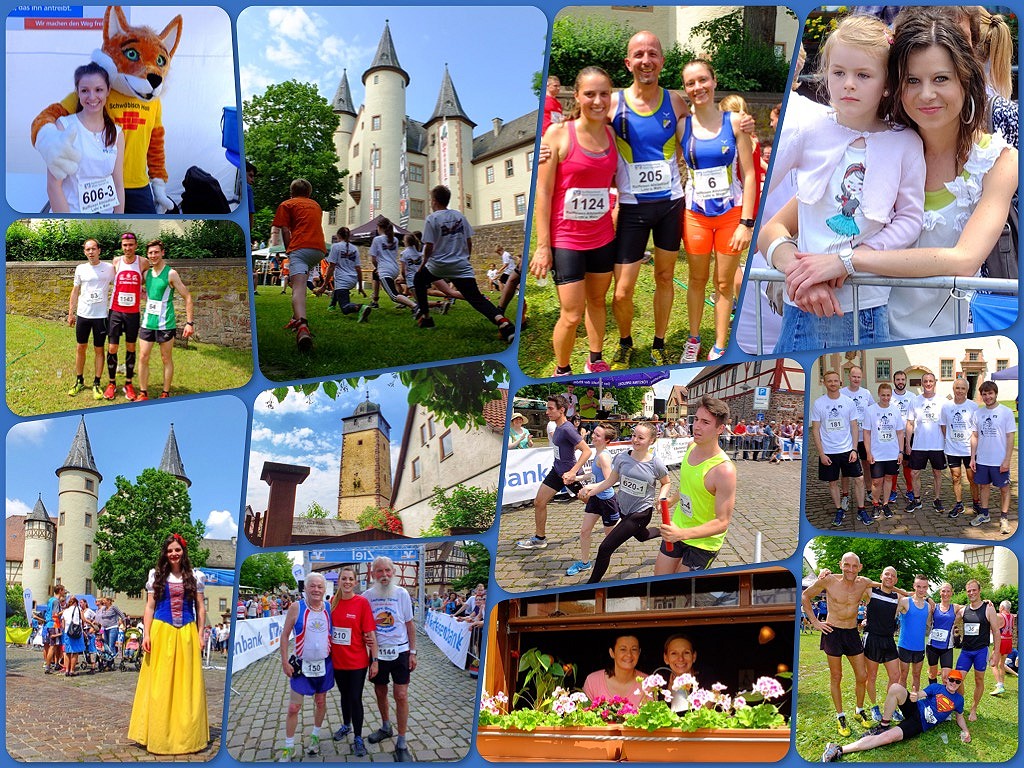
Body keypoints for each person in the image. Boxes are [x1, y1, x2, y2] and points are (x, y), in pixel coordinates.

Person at [782, 10, 1018, 340]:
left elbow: (964, 259)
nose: (926, 95)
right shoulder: (877, 146)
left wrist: (847, 261)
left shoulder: (998, 161)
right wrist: (802, 276)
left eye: (941, 79)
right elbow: (778, 228)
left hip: (936, 337)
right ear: (893, 86)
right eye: (912, 81)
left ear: (966, 79)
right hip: (852, 327)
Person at [758, 13, 926, 351]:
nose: (848, 83)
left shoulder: (905, 142)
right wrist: (800, 272)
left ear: (888, 82)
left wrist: (852, 259)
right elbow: (761, 200)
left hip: (867, 305)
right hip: (803, 305)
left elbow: (910, 218)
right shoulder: (806, 129)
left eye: (863, 75)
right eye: (839, 73)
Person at [604, 32, 688, 369]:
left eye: (652, 53)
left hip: (670, 205)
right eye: (638, 54)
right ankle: (625, 341)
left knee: (665, 278)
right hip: (631, 209)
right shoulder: (612, 103)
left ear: (662, 61)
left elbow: (697, 141)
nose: (646, 60)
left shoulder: (676, 101)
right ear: (628, 63)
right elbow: (585, 135)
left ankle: (659, 341)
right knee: (622, 291)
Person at [532, 66, 618, 375]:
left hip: (602, 236)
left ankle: (595, 359)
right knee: (571, 313)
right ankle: (562, 369)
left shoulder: (612, 133)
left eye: (604, 93)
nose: (598, 100)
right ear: (577, 96)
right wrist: (543, 247)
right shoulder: (557, 135)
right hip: (567, 239)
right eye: (590, 94)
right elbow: (542, 191)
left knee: (597, 301)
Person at [679, 59, 756, 362]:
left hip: (730, 215)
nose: (698, 87)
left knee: (724, 283)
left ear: (714, 80)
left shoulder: (735, 122)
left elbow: (749, 175)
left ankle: (720, 343)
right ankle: (694, 338)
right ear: (685, 89)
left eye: (703, 80)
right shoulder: (682, 125)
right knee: (697, 279)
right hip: (695, 215)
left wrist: (746, 223)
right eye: (690, 83)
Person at [128, 534, 209, 754]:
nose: (174, 554)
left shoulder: (195, 576)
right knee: (160, 682)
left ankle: (186, 735)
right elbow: (149, 607)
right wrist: (146, 634)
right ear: (165, 553)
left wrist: (201, 634)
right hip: (162, 630)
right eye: (170, 550)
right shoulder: (156, 576)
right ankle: (157, 732)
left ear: (183, 552)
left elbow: (200, 608)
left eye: (177, 550)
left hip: (186, 632)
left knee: (187, 682)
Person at [414, 185, 515, 342]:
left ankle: (426, 317)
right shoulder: (460, 216)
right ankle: (503, 322)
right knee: (476, 299)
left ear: (434, 201)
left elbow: (429, 246)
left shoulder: (432, 218)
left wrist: (423, 264)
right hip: (460, 265)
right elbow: (468, 241)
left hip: (438, 265)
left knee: (418, 280)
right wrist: (465, 258)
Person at [579, 422, 669, 584]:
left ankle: (591, 585)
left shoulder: (656, 464)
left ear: (652, 441)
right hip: (623, 509)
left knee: (605, 548)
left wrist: (661, 498)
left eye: (641, 437)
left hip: (641, 513)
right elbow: (609, 481)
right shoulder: (622, 458)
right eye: (634, 435)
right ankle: (664, 531)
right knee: (642, 536)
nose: (635, 440)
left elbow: (667, 482)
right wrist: (590, 490)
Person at [657, 395, 736, 574]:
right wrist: (671, 500)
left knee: (680, 595)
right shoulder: (691, 446)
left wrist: (682, 535)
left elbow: (722, 522)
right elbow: (687, 485)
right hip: (677, 527)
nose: (697, 426)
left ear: (720, 429)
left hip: (704, 542)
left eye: (706, 422)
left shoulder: (724, 470)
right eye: (697, 420)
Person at [802, 552, 875, 736]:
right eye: (846, 565)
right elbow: (805, 596)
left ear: (860, 567)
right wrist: (815, 622)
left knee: (862, 675)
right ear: (840, 564)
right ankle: (840, 716)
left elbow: (887, 587)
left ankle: (859, 710)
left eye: (854, 566)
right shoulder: (828, 580)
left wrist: (914, 594)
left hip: (852, 633)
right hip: (832, 632)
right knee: (836, 676)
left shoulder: (864, 583)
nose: (850, 569)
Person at [821, 674, 971, 761]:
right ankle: (883, 724)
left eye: (957, 681)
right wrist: (914, 695)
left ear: (960, 684)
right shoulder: (937, 687)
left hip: (919, 724)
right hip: (915, 708)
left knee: (888, 738)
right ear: (946, 680)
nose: (954, 683)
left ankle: (839, 749)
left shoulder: (959, 700)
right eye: (951, 680)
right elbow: (920, 695)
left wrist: (966, 731)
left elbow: (960, 717)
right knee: (895, 688)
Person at [45, 62, 124, 214]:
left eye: (98, 90)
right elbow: (53, 185)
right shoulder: (64, 126)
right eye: (85, 90)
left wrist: (118, 223)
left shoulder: (117, 133)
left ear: (108, 91)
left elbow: (118, 184)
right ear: (78, 92)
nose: (92, 97)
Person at [517, 395, 592, 550]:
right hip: (557, 471)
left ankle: (616, 519)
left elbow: (586, 451)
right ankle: (539, 539)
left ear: (562, 410)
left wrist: (572, 472)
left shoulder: (567, 429)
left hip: (570, 475)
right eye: (547, 408)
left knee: (594, 503)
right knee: (539, 502)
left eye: (551, 408)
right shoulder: (557, 426)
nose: (547, 412)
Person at [364, 557, 416, 763]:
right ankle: (386, 726)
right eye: (379, 571)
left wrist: (413, 652)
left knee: (401, 695)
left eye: (387, 571)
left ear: (393, 572)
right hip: (378, 653)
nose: (384, 575)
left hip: (401, 651)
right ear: (373, 574)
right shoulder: (367, 596)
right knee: (380, 691)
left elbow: (410, 624)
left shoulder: (402, 593)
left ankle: (402, 741)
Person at [278, 572, 333, 761]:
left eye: (320, 586)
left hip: (324, 665)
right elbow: (285, 635)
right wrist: (285, 661)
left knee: (320, 702)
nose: (316, 589)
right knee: (294, 707)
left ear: (324, 589)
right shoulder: (296, 607)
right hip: (301, 666)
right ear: (305, 588)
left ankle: (315, 736)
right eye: (312, 586)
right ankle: (289, 746)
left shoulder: (329, 608)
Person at [329, 566, 377, 757]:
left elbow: (370, 634)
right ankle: (345, 725)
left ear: (355, 582)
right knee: (344, 695)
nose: (347, 582)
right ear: (338, 581)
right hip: (338, 661)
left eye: (350, 579)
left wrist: (375, 661)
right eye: (344, 579)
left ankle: (358, 737)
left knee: (355, 698)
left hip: (357, 662)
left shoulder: (362, 603)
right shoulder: (332, 602)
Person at [273, 179, 327, 351]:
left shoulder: (286, 204)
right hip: (318, 250)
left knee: (298, 288)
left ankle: (302, 328)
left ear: (291, 191)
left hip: (300, 248)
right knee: (300, 284)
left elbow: (285, 230)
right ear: (309, 193)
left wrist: (289, 249)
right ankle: (295, 318)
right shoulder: (316, 205)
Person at [137, 240, 194, 400]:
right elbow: (148, 293)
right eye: (150, 253)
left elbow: (187, 297)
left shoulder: (171, 274)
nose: (153, 255)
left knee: (166, 358)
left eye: (156, 252)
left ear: (162, 253)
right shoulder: (146, 274)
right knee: (143, 357)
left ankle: (165, 392)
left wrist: (189, 323)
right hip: (148, 322)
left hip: (166, 323)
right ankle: (143, 393)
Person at [812, 370, 868, 527]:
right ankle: (839, 510)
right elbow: (815, 430)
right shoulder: (819, 403)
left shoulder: (848, 402)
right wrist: (821, 454)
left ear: (840, 382)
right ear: (824, 383)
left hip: (847, 449)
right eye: (829, 381)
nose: (833, 383)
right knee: (833, 482)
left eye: (835, 380)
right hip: (829, 451)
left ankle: (861, 509)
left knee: (859, 479)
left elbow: (854, 427)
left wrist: (854, 449)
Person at [567, 423, 620, 577]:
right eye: (594, 433)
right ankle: (585, 563)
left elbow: (610, 480)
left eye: (598, 435)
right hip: (596, 499)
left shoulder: (603, 456)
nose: (593, 436)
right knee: (584, 532)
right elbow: (594, 476)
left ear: (606, 440)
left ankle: (627, 527)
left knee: (610, 537)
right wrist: (575, 477)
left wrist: (588, 487)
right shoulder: (597, 453)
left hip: (607, 501)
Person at [66, 238, 115, 399]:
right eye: (88, 249)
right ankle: (79, 380)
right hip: (83, 315)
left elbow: (118, 286)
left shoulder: (109, 268)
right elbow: (75, 291)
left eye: (93, 249)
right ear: (84, 252)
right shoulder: (80, 268)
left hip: (100, 316)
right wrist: (71, 313)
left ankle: (96, 383)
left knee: (99, 349)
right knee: (81, 348)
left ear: (99, 250)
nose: (91, 252)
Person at [104, 232, 149, 400]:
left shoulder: (143, 262)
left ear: (136, 245)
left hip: (133, 313)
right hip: (115, 310)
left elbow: (147, 279)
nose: (127, 248)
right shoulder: (116, 261)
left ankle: (128, 383)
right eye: (125, 245)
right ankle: (111, 383)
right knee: (112, 347)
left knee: (131, 347)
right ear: (121, 246)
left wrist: (143, 289)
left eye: (130, 245)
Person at [969, 380, 1016, 533]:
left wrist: (1007, 460)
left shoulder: (1006, 412)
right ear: (981, 396)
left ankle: (1004, 517)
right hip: (982, 459)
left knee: (1004, 488)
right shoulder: (978, 413)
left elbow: (1010, 437)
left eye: (990, 393)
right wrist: (972, 458)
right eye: (984, 394)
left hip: (1000, 460)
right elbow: (974, 436)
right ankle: (984, 513)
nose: (987, 397)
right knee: (983, 486)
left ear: (995, 394)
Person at [955, 579, 1003, 721]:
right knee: (957, 679)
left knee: (979, 679)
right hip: (966, 651)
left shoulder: (988, 608)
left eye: (974, 590)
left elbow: (996, 631)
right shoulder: (964, 610)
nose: (971, 593)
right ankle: (960, 704)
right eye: (969, 591)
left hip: (981, 651)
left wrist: (996, 653)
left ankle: (974, 709)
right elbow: (950, 616)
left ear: (979, 591)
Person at [862, 383, 905, 520]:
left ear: (891, 396)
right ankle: (875, 504)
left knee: (888, 479)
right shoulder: (870, 410)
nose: (885, 398)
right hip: (877, 453)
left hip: (892, 452)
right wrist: (868, 452)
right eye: (883, 395)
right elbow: (867, 433)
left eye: (888, 395)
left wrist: (901, 451)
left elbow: (899, 433)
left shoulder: (895, 410)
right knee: (876, 481)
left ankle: (885, 504)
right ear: (878, 395)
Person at [905, 372, 946, 514]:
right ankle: (917, 500)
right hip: (919, 445)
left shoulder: (942, 401)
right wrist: (907, 444)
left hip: (937, 444)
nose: (928, 384)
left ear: (935, 383)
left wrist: (947, 442)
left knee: (937, 473)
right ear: (922, 383)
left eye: (931, 381)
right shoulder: (915, 401)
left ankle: (937, 499)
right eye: (925, 381)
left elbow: (945, 424)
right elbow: (910, 423)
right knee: (914, 473)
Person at [941, 378, 979, 519]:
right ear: (953, 389)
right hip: (952, 449)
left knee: (972, 478)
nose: (960, 391)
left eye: (963, 388)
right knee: (956, 477)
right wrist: (950, 439)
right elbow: (943, 425)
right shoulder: (946, 407)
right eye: (958, 388)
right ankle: (959, 504)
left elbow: (976, 429)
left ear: (967, 390)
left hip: (969, 449)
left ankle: (976, 503)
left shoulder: (973, 406)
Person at [315, 227, 371, 321]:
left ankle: (361, 307)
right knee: (338, 290)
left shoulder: (336, 247)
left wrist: (324, 285)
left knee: (345, 308)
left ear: (338, 236)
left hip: (342, 280)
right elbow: (358, 269)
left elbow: (331, 267)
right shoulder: (355, 249)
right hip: (353, 280)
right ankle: (332, 305)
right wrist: (360, 287)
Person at [840, 367, 875, 507]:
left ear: (862, 378)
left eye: (859, 377)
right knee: (846, 469)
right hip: (847, 438)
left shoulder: (866, 393)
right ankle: (845, 495)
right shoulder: (842, 393)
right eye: (854, 376)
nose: (856, 379)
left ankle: (868, 491)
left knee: (867, 466)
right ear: (849, 376)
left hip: (864, 437)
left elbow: (873, 410)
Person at [583, 634, 648, 707]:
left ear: (639, 652)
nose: (629, 654)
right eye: (623, 649)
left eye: (634, 649)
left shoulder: (648, 683)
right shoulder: (593, 681)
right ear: (612, 653)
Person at [896, 575, 932, 695]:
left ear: (927, 588)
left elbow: (930, 623)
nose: (921, 589)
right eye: (918, 586)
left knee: (916, 675)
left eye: (924, 587)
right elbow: (891, 613)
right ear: (914, 586)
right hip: (904, 646)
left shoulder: (928, 606)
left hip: (919, 648)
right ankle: (902, 703)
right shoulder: (905, 601)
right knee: (903, 675)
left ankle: (913, 701)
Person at [888, 370, 916, 506]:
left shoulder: (912, 396)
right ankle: (892, 490)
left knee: (907, 464)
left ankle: (910, 489)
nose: (900, 382)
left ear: (905, 381)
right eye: (898, 379)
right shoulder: (889, 396)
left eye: (902, 379)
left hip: (908, 435)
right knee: (894, 464)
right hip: (892, 437)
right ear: (894, 381)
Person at [927, 582, 962, 687]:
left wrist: (984, 603)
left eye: (948, 591)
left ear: (951, 593)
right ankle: (933, 695)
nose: (945, 593)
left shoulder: (955, 607)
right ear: (940, 592)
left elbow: (972, 607)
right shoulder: (934, 607)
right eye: (943, 591)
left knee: (946, 677)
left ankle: (943, 699)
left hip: (947, 648)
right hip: (932, 646)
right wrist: (928, 598)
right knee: (932, 674)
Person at [990, 600, 1014, 695]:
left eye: (1000, 607)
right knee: (1001, 664)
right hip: (1009, 641)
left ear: (1003, 607)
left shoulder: (1000, 616)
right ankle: (1002, 683)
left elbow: (992, 625)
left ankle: (1000, 686)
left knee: (993, 663)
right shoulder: (1012, 616)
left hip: (1001, 641)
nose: (999, 608)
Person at [60, 594, 85, 676]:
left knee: (67, 652)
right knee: (75, 652)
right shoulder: (78, 609)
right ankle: (72, 670)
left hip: (67, 632)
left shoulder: (65, 611)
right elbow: (83, 619)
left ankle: (66, 670)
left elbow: (63, 624)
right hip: (76, 632)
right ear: (76, 603)